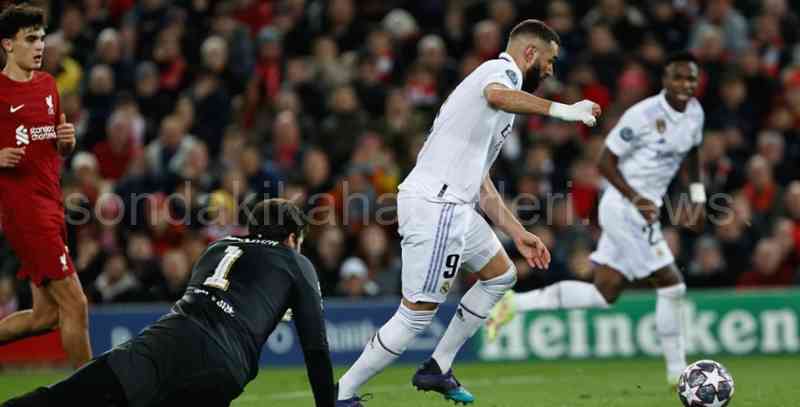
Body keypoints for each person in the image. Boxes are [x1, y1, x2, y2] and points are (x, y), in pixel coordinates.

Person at [336, 19, 601, 406]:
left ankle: (438, 367)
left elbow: (481, 182)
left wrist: (517, 231)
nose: (550, 70)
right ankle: (342, 394)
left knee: (501, 275)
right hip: (437, 205)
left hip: (454, 204)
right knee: (416, 315)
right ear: (530, 53)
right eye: (549, 60)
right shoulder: (500, 72)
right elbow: (497, 95)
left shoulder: (502, 103)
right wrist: (564, 111)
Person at [486, 52, 706, 386]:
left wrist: (699, 198)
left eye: (691, 79)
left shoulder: (695, 114)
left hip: (643, 208)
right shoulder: (643, 115)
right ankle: (679, 375)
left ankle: (515, 303)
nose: (684, 85)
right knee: (672, 285)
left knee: (605, 293)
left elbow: (692, 155)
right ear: (665, 79)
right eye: (678, 77)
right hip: (623, 206)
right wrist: (636, 198)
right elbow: (604, 163)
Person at [3, 199, 335, 407]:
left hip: (166, 339)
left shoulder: (217, 247)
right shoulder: (295, 262)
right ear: (292, 238)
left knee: (64, 399)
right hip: (222, 365)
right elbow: (316, 347)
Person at [0, 5, 90, 368]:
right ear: (8, 44)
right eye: (30, 39)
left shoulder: (48, 86)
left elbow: (54, 145)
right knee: (76, 303)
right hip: (25, 213)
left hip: (52, 205)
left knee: (45, 316)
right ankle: (95, 395)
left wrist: (66, 142)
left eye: (41, 38)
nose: (39, 46)